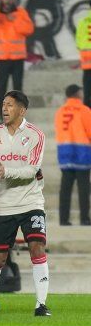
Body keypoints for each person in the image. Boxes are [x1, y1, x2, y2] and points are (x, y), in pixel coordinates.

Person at [0, 90, 51, 316]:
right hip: (3, 204)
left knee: (36, 246)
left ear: (22, 110)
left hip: (31, 201)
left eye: (10, 105)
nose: (5, 108)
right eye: (3, 104)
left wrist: (7, 171)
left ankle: (41, 304)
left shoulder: (35, 135)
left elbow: (32, 170)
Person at [54, 85, 91, 226]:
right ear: (78, 94)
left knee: (65, 188)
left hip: (65, 152)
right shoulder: (84, 110)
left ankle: (63, 219)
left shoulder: (60, 111)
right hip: (82, 153)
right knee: (83, 188)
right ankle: (84, 218)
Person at [76, 1, 91, 108]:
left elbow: (78, 41)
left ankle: (87, 110)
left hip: (87, 61)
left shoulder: (82, 21)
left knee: (87, 88)